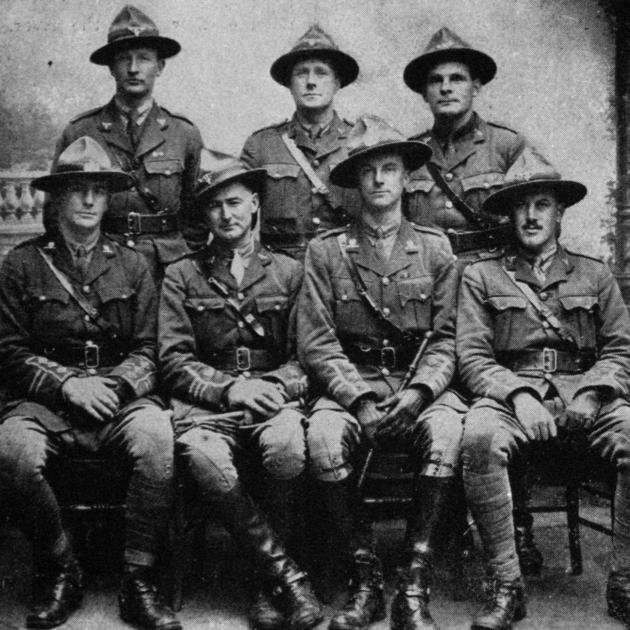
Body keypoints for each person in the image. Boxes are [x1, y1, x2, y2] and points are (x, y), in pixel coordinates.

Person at [0, 136, 180, 630]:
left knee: (158, 438)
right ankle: (62, 568)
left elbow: (151, 349)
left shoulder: (133, 264)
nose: (87, 201)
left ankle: (138, 578)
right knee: (11, 450)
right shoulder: (22, 264)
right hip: (45, 401)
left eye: (97, 191)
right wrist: (66, 387)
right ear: (55, 197)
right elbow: (9, 350)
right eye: (76, 189)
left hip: (119, 397)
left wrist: (118, 388)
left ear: (107, 199)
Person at [298, 114, 467, 630]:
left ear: (404, 178)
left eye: (388, 169)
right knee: (324, 435)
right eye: (367, 170)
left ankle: (414, 582)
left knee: (448, 429)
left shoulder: (437, 248)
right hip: (355, 383)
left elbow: (447, 337)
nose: (377, 180)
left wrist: (417, 395)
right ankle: (364, 575)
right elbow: (318, 341)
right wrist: (360, 401)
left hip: (417, 387)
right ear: (354, 181)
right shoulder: (325, 251)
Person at [457, 152, 630, 630]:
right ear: (509, 216)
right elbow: (472, 357)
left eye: (542, 204)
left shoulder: (594, 275)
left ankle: (625, 581)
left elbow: (623, 351)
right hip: (511, 394)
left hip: (586, 392)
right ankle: (506, 586)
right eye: (521, 207)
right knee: (478, 439)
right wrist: (519, 395)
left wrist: (593, 392)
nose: (531, 216)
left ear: (560, 214)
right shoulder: (481, 277)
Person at [158, 155, 323, 630]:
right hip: (209, 405)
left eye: (235, 203)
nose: (226, 214)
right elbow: (173, 361)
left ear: (254, 205)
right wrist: (232, 390)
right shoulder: (182, 275)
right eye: (214, 207)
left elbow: (305, 356)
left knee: (289, 445)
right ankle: (283, 578)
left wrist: (272, 386)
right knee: (205, 459)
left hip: (273, 398)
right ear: (204, 215)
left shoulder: (291, 272)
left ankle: (262, 583)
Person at [403, 26, 543, 573]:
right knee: (447, 403)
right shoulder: (412, 155)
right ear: (424, 92)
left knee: (503, 398)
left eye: (456, 77)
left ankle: (517, 527)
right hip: (433, 292)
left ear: (476, 85)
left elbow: (538, 215)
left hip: (493, 289)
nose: (445, 88)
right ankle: (451, 528)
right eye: (434, 81)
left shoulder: (508, 147)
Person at [49, 5, 204, 284]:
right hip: (101, 266)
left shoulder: (184, 133)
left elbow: (198, 215)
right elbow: (55, 211)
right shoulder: (81, 131)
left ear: (160, 66)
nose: (133, 68)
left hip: (167, 270)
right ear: (111, 67)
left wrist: (182, 265)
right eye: (124, 59)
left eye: (144, 58)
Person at [241, 24, 362, 261]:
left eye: (321, 72)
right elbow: (236, 214)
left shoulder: (360, 142)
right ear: (289, 84)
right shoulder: (261, 145)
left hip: (346, 271)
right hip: (281, 276)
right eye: (301, 73)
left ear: (337, 82)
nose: (310, 82)